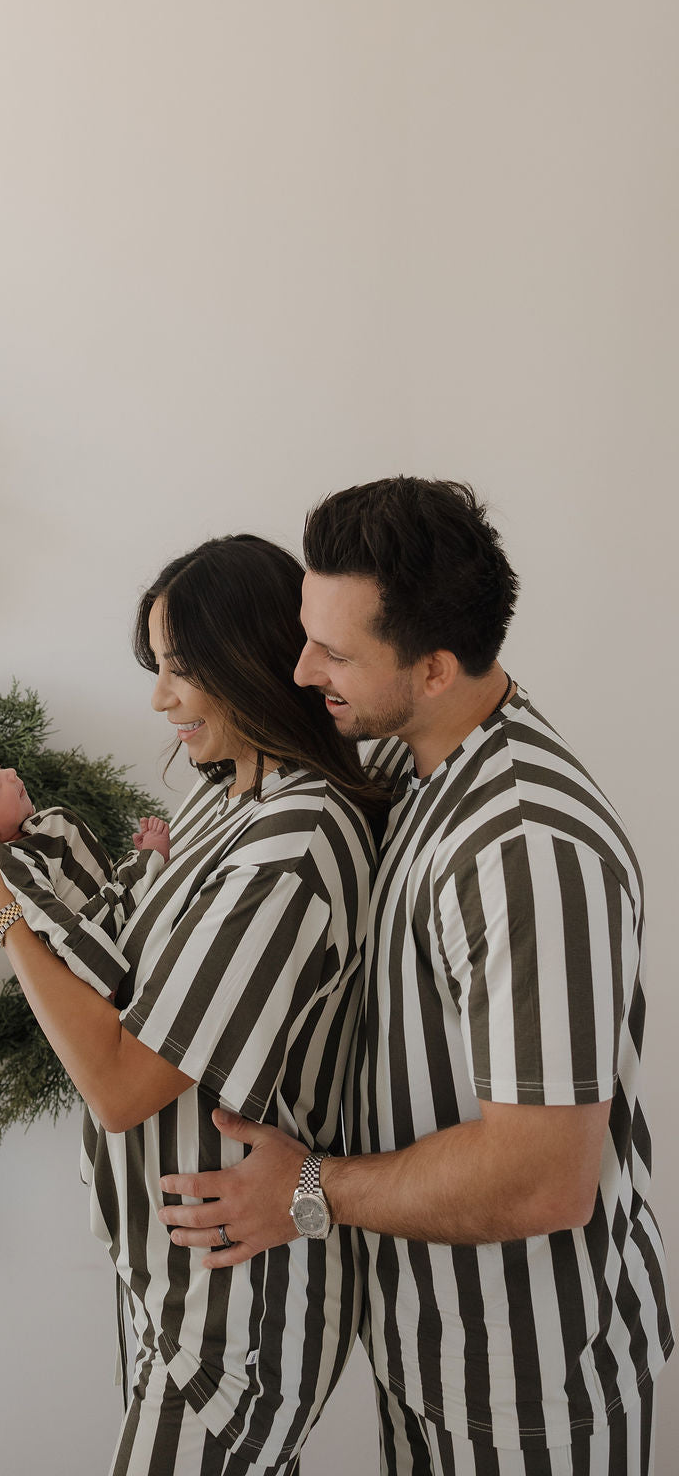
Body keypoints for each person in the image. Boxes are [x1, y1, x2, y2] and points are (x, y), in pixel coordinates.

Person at [157, 480, 673, 1475]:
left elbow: (541, 1178)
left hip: (529, 1388)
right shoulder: (405, 757)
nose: (301, 670)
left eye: (333, 653)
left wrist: (302, 1193)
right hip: (425, 1356)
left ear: (434, 668)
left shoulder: (528, 848)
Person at [0, 534, 388, 1476]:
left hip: (234, 1313)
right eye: (155, 668)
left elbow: (120, 1087)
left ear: (249, 659)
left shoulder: (296, 843)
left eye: (180, 670)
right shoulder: (216, 793)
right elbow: (119, 965)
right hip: (165, 1281)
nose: (159, 700)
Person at [0, 753, 170, 956]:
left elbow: (101, 880)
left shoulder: (42, 829)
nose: (11, 773)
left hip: (117, 910)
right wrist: (146, 861)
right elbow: (71, 937)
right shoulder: (19, 866)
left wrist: (133, 858)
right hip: (110, 942)